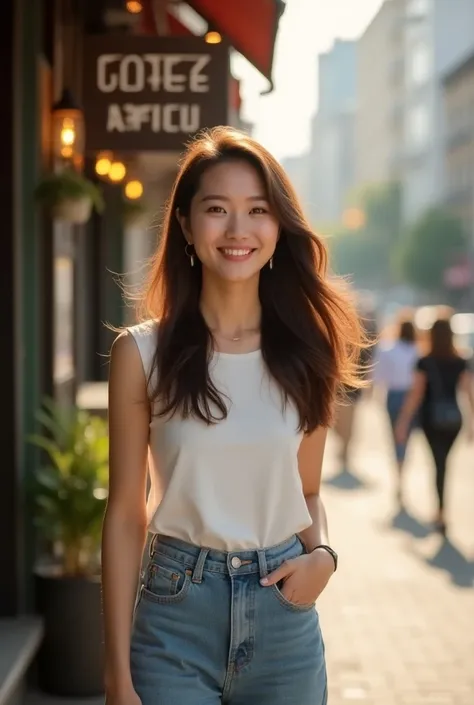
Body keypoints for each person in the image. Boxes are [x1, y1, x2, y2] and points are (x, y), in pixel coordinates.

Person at [102, 126, 366, 705]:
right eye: (217, 209)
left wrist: (322, 556)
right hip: (175, 616)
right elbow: (125, 514)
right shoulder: (140, 353)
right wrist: (116, 674)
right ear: (186, 226)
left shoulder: (308, 349)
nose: (238, 230)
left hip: (283, 615)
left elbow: (308, 490)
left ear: (278, 227)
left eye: (258, 210)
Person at [396, 317, 474, 534]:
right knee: (444, 463)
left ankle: (440, 513)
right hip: (454, 419)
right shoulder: (461, 360)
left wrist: (403, 421)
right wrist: (471, 423)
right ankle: (441, 512)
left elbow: (416, 394)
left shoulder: (424, 361)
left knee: (438, 463)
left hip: (431, 418)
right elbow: (468, 393)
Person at [373, 316, 419, 503]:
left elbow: (378, 375)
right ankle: (402, 473)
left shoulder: (388, 349)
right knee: (406, 437)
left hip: (394, 395)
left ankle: (399, 476)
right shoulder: (418, 351)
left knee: (395, 438)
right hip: (412, 396)